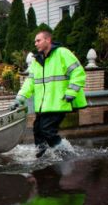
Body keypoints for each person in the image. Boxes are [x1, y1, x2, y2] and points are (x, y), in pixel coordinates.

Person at [11, 30, 87, 158]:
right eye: (35, 41)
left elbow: (78, 72)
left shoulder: (62, 53)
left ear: (48, 40)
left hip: (59, 102)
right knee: (38, 130)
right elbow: (30, 82)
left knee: (47, 130)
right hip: (43, 105)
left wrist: (71, 92)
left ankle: (66, 154)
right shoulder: (37, 60)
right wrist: (19, 98)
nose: (35, 43)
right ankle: (41, 155)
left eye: (38, 40)